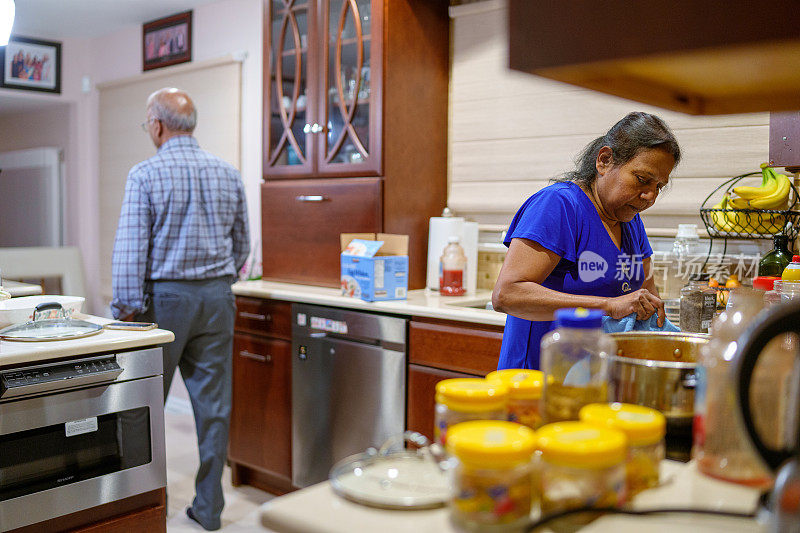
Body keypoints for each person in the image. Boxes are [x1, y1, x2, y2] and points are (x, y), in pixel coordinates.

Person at [111, 87, 250, 531]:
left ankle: (148, 510)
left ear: (157, 124)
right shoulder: (227, 173)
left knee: (142, 404)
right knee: (214, 408)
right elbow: (243, 244)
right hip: (216, 298)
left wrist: (124, 313)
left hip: (164, 300)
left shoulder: (145, 175)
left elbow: (131, 251)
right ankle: (209, 510)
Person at [492, 112, 681, 370]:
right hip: (539, 380)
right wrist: (607, 306)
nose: (650, 196)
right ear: (604, 161)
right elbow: (507, 294)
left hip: (596, 380)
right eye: (642, 179)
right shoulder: (559, 205)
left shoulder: (630, 220)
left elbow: (646, 296)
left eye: (659, 186)